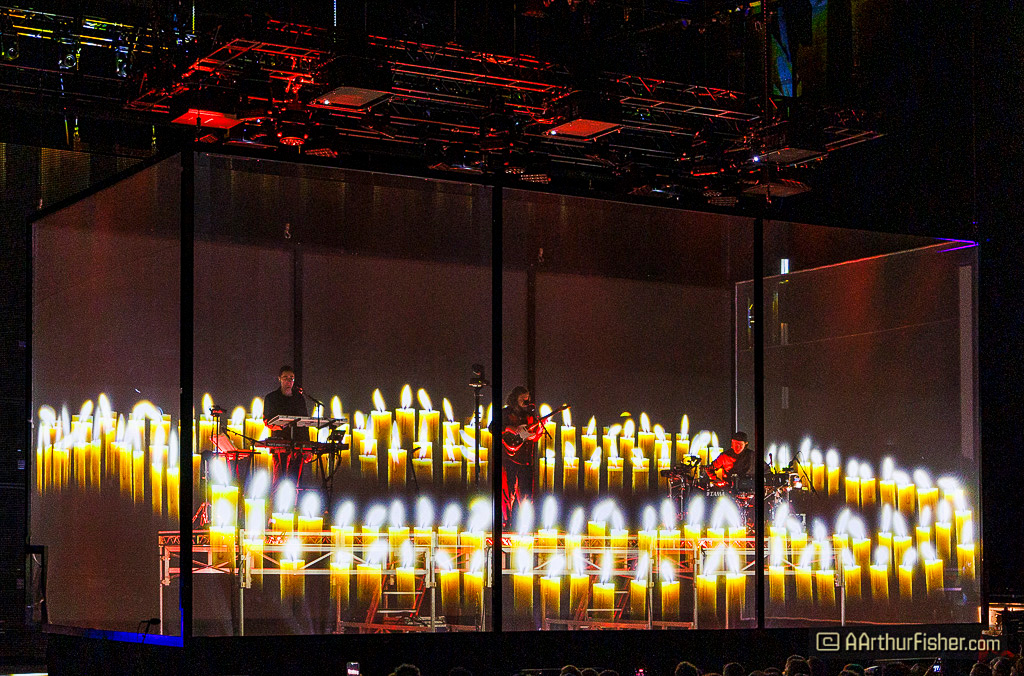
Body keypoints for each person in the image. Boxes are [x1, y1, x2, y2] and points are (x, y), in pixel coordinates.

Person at [495, 386, 541, 526]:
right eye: (523, 399)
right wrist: (509, 428)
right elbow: (493, 428)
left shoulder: (530, 415)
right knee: (507, 492)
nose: (526, 402)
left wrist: (537, 432)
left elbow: (533, 436)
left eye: (527, 399)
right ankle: (505, 522)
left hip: (525, 459)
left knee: (525, 493)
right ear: (515, 398)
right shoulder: (505, 413)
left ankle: (524, 523)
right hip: (508, 458)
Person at [262, 365, 309, 483]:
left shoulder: (299, 398)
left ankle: (294, 496)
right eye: (285, 378)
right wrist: (280, 425)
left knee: (294, 481)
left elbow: (305, 423)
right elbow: (267, 420)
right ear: (279, 379)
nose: (289, 381)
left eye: (291, 378)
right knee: (280, 479)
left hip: (297, 444)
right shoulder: (271, 398)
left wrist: (307, 447)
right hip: (280, 443)